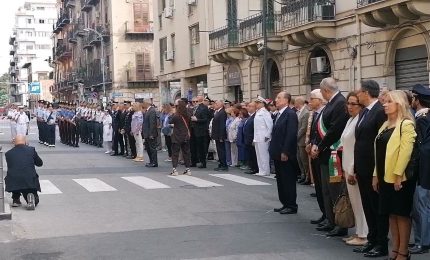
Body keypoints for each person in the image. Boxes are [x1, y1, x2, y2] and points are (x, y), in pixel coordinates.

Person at [373, 90, 416, 260]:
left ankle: (403, 252)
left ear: (399, 104)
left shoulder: (406, 124)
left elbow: (406, 152)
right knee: (390, 213)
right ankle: (396, 249)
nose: (384, 104)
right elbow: (378, 152)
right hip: (384, 176)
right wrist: (376, 175)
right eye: (385, 101)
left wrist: (398, 175)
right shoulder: (385, 125)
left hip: (400, 178)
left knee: (402, 214)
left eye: (389, 101)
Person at [353, 80, 388, 257]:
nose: (357, 95)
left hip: (373, 169)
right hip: (362, 168)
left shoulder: (379, 112)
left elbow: (381, 143)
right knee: (368, 206)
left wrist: (377, 172)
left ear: (366, 93)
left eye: (359, 92)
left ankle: (381, 243)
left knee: (376, 207)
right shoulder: (364, 112)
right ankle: (372, 239)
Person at [311, 78, 349, 237]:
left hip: (333, 153)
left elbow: (335, 129)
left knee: (335, 190)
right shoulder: (332, 103)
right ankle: (330, 218)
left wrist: (320, 146)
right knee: (326, 190)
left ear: (325, 90)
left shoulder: (339, 102)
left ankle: (340, 223)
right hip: (325, 153)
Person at [340, 92, 368, 246]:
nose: (350, 107)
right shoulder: (351, 120)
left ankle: (364, 235)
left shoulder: (360, 121)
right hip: (347, 165)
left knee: (360, 202)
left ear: (360, 105)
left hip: (354, 168)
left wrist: (352, 170)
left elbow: (359, 147)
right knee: (355, 203)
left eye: (353, 104)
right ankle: (359, 232)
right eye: (348, 103)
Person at [269, 91, 298, 215]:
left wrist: (285, 151)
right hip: (277, 152)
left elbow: (291, 134)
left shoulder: (290, 114)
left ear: (286, 100)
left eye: (279, 98)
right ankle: (285, 203)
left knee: (288, 180)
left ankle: (291, 205)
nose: (276, 100)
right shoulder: (279, 114)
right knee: (280, 180)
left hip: (285, 153)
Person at [410, 84, 430, 255]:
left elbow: (423, 149)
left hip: (423, 173)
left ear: (417, 99)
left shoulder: (422, 119)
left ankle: (423, 242)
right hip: (424, 172)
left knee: (421, 207)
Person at [5, 135, 43, 210]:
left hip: (13, 182)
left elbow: (13, 167)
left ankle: (16, 199)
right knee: (34, 198)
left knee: (15, 174)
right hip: (29, 181)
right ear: (25, 141)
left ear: (14, 143)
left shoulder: (8, 153)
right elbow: (40, 163)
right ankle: (31, 198)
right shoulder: (31, 150)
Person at [307, 89, 327, 226]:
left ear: (319, 101)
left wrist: (316, 146)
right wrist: (311, 144)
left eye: (312, 98)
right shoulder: (315, 114)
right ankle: (324, 213)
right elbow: (314, 133)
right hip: (314, 152)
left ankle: (328, 215)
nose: (310, 101)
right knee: (319, 187)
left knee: (324, 188)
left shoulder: (324, 114)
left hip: (322, 153)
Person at [169, 99, 192, 176]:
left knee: (175, 153)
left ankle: (175, 169)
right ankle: (187, 169)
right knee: (186, 153)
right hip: (186, 136)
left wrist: (172, 113)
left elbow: (170, 121)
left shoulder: (176, 115)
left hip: (177, 136)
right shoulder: (188, 114)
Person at [253, 96, 273, 176]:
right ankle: (261, 170)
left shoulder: (265, 112)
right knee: (259, 154)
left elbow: (270, 125)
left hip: (263, 137)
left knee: (264, 154)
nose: (256, 104)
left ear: (262, 103)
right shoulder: (258, 112)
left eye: (258, 103)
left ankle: (265, 170)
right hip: (257, 137)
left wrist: (267, 136)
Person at [190, 96, 210, 168]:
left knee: (201, 148)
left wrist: (197, 120)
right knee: (193, 147)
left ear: (200, 101)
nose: (194, 103)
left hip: (200, 130)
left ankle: (203, 162)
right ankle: (193, 161)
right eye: (193, 102)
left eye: (196, 101)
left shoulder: (203, 108)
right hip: (193, 130)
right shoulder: (192, 109)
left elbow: (206, 119)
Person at [295, 96, 310, 184]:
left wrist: (296, 137)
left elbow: (303, 128)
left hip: (302, 140)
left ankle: (307, 177)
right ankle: (303, 174)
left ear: (299, 102)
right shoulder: (298, 112)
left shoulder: (306, 113)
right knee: (299, 159)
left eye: (296, 102)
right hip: (298, 140)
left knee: (304, 160)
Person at [211, 100, 228, 171]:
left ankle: (224, 165)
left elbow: (222, 125)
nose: (215, 105)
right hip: (216, 134)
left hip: (220, 135)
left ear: (221, 105)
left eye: (216, 104)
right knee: (219, 150)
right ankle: (221, 164)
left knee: (221, 151)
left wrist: (221, 136)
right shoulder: (218, 112)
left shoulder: (222, 112)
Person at [243, 102, 258, 174]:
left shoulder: (255, 116)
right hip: (247, 138)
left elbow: (255, 129)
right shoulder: (250, 116)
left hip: (251, 138)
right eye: (248, 106)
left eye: (250, 106)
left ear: (255, 108)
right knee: (250, 154)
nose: (248, 108)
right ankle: (251, 167)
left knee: (253, 154)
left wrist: (254, 139)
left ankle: (254, 168)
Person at [143, 101, 159, 167]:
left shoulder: (152, 111)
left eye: (144, 103)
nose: (143, 104)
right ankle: (151, 161)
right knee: (148, 148)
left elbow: (152, 123)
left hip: (150, 133)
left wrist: (151, 134)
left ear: (147, 103)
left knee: (152, 148)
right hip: (147, 133)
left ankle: (154, 162)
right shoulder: (147, 110)